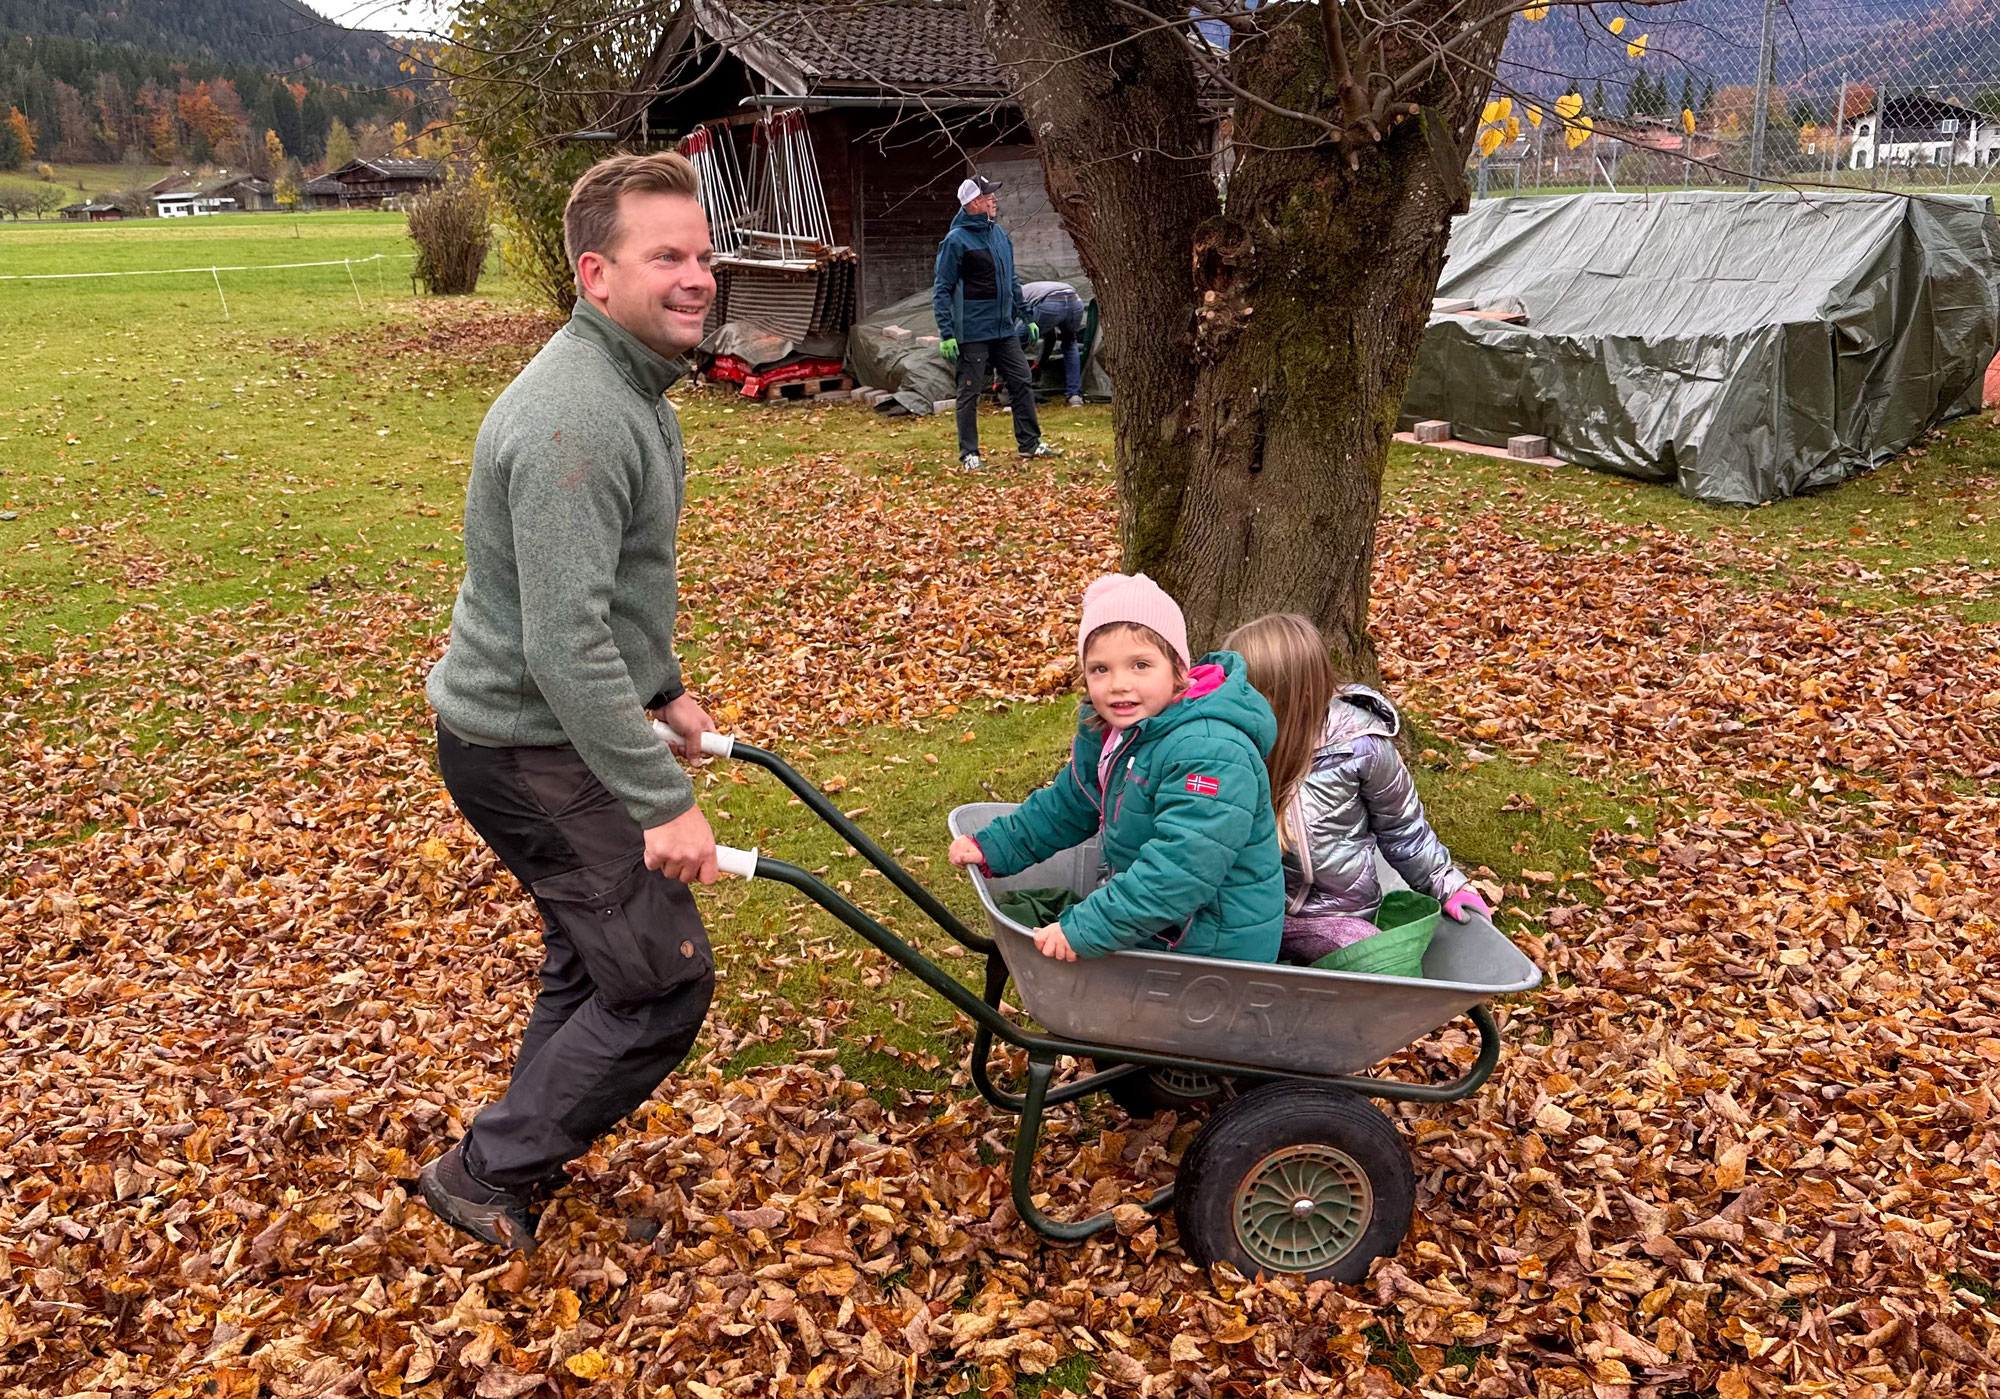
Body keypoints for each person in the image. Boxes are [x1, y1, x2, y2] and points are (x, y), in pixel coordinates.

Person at [418, 151, 724, 1254]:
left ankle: (506, 1153)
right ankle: (485, 1170)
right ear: (597, 275)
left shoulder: (630, 384)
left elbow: (610, 592)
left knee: (596, 962)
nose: (696, 276)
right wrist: (659, 803)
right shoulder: (577, 418)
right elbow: (559, 640)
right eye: (665, 258)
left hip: (537, 730)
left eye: (700, 254)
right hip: (524, 748)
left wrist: (667, 692)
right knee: (657, 983)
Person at [948, 574, 1283, 963]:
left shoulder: (1209, 752)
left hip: (1213, 949)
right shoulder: (1120, 734)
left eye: (1140, 665)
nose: (1118, 684)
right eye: (1100, 669)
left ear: (1179, 669)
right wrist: (996, 845)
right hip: (1163, 929)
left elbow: (1180, 870)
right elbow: (1072, 802)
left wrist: (1086, 927)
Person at [1223, 614, 1490, 966]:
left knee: (1375, 959)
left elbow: (1403, 828)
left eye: (1252, 697)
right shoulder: (1233, 746)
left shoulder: (1362, 749)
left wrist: (1449, 885)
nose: (1237, 708)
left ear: (1298, 697)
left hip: (1334, 915)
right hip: (1249, 911)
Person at [933, 174, 1063, 471]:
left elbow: (1011, 280)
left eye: (993, 196)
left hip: (1004, 329)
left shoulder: (999, 235)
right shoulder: (955, 241)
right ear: (974, 202)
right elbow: (942, 288)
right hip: (973, 331)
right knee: (969, 391)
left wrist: (1026, 315)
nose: (995, 200)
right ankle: (969, 454)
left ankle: (1030, 443)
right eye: (989, 196)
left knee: (1021, 381)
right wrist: (947, 332)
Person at [1022, 280, 1087, 407]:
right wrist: (1039, 364)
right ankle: (1075, 397)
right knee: (1070, 343)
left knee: (1013, 345)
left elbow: (1009, 346)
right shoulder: (1032, 290)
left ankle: (1010, 395)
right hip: (1075, 300)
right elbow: (1051, 336)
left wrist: (998, 381)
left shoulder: (1016, 296)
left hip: (1050, 302)